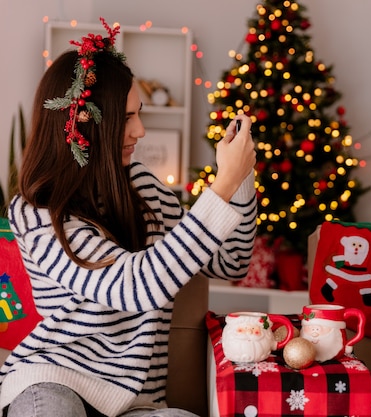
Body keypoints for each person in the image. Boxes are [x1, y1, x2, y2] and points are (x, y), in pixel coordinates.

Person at [0, 19, 257, 417]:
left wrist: (240, 180)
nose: (140, 130)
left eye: (139, 114)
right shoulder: (37, 212)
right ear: (82, 124)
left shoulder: (144, 188)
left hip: (134, 402)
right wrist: (221, 186)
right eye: (126, 118)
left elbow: (230, 261)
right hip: (55, 381)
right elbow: (133, 285)